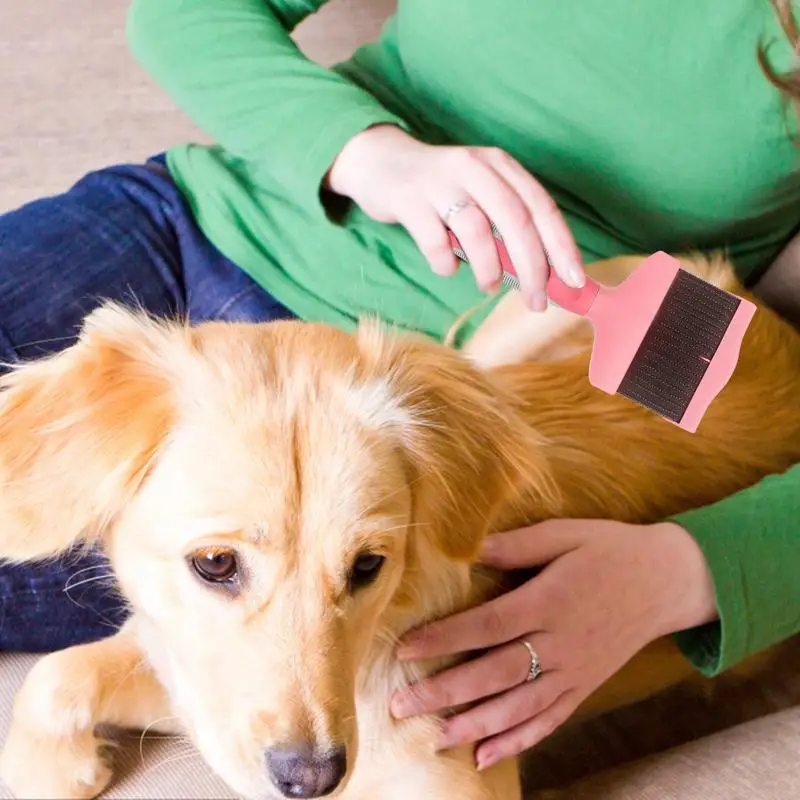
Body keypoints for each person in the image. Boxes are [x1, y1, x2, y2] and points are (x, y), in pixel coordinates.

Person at [2, 0, 800, 771]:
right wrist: (366, 150)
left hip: (410, 411)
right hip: (204, 221)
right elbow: (184, 11)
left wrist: (694, 568)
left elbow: (749, 368)